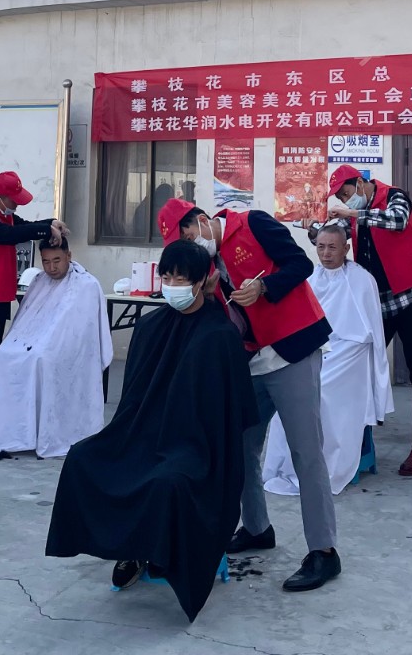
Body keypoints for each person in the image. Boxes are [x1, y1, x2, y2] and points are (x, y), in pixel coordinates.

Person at [45, 239, 256, 622]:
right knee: (82, 458)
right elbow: (132, 400)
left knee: (168, 482)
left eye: (181, 278)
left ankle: (154, 551)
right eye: (167, 276)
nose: (172, 284)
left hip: (196, 446)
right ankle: (130, 548)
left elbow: (229, 414)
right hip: (141, 432)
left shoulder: (220, 336)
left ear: (201, 281)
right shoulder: (149, 326)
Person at [161, 197, 341, 594]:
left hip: (292, 350)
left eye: (189, 237)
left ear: (202, 221)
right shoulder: (206, 266)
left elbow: (301, 264)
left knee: (305, 452)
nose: (191, 247)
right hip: (251, 360)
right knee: (240, 446)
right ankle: (257, 528)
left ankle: (324, 551)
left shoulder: (254, 223)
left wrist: (264, 286)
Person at [262, 220, 393, 496]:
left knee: (322, 396)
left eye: (332, 247)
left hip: (350, 354)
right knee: (289, 395)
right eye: (321, 247)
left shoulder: (362, 280)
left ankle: (323, 468)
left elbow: (370, 333)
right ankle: (288, 466)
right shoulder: (311, 278)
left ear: (346, 248)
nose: (325, 253)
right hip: (318, 348)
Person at [326, 163, 412, 477]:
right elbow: (335, 235)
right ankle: (355, 444)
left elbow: (398, 220)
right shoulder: (354, 214)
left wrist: (354, 214)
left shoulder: (394, 196)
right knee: (358, 366)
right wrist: (315, 231)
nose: (345, 201)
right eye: (340, 198)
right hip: (377, 302)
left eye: (347, 193)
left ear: (361, 183)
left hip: (410, 296)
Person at [0, 240, 113, 459]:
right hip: (33, 341)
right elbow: (25, 319)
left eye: (57, 260)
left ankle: (48, 434)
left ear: (69, 256)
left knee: (41, 358)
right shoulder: (39, 281)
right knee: (2, 357)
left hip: (69, 348)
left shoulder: (86, 285)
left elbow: (80, 330)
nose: (52, 267)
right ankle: (15, 435)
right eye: (46, 261)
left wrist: (46, 344)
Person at [0, 170, 67, 344]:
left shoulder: (3, 213)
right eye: (14, 200)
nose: (17, 204)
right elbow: (11, 234)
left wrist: (50, 223)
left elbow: (24, 226)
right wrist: (45, 230)